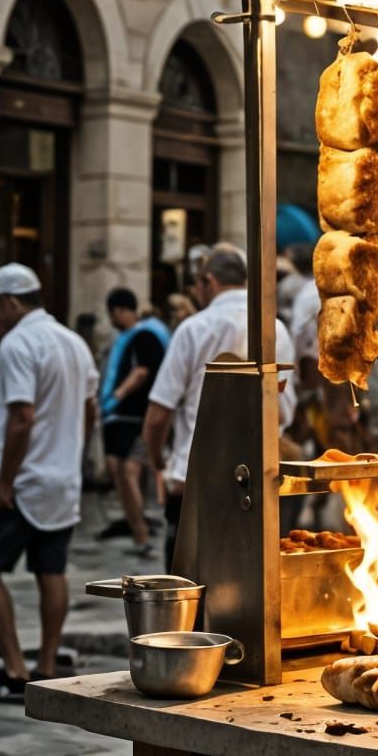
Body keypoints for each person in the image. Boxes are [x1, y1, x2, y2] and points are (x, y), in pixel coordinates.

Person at [0, 264, 98, 700]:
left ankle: (14, 667)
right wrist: (73, 453)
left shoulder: (19, 342)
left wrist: (4, 480)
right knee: (51, 569)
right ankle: (46, 661)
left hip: (24, 481)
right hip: (59, 478)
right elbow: (89, 407)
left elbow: (21, 417)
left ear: (9, 303)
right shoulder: (73, 342)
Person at [143, 244, 296, 573]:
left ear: (208, 281)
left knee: (189, 589)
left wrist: (158, 462)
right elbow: (284, 411)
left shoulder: (194, 329)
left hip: (195, 481)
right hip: (258, 482)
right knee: (252, 586)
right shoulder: (277, 329)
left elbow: (158, 415)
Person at [99, 287, 169, 560]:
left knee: (129, 472)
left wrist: (116, 396)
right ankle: (138, 528)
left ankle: (142, 533)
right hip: (118, 418)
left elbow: (141, 372)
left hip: (136, 417)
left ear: (118, 311)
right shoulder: (126, 339)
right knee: (117, 471)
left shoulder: (145, 336)